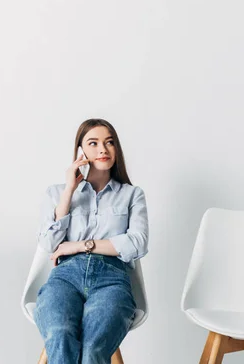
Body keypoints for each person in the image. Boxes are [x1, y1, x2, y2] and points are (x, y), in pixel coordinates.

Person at [33, 118, 149, 364]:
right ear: (80, 151)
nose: (103, 150)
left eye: (109, 143)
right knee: (60, 335)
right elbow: (48, 244)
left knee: (93, 346)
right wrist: (69, 190)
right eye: (93, 143)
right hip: (65, 278)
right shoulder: (56, 193)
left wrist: (80, 245)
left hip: (112, 280)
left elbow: (138, 243)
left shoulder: (132, 195)